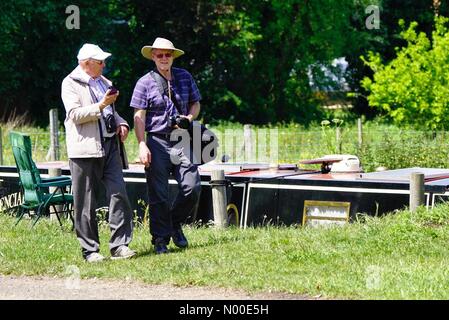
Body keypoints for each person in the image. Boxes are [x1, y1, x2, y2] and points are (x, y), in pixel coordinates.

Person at [61, 43, 136, 262]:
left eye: (104, 61)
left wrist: (122, 123)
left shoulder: (105, 82)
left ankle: (120, 246)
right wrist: (102, 104)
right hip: (84, 150)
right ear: (86, 64)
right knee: (85, 201)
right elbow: (74, 115)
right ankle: (90, 250)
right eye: (100, 61)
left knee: (119, 192)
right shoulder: (69, 83)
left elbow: (112, 112)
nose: (104, 65)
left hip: (110, 146)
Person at [130, 37, 202, 254]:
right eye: (159, 55)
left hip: (181, 139)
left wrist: (189, 118)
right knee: (159, 194)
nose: (164, 58)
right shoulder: (144, 82)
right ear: (153, 56)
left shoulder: (184, 76)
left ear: (173, 56)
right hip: (157, 140)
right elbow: (138, 116)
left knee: (192, 186)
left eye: (167, 54)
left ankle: (174, 224)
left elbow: (196, 103)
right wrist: (142, 144)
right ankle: (160, 240)